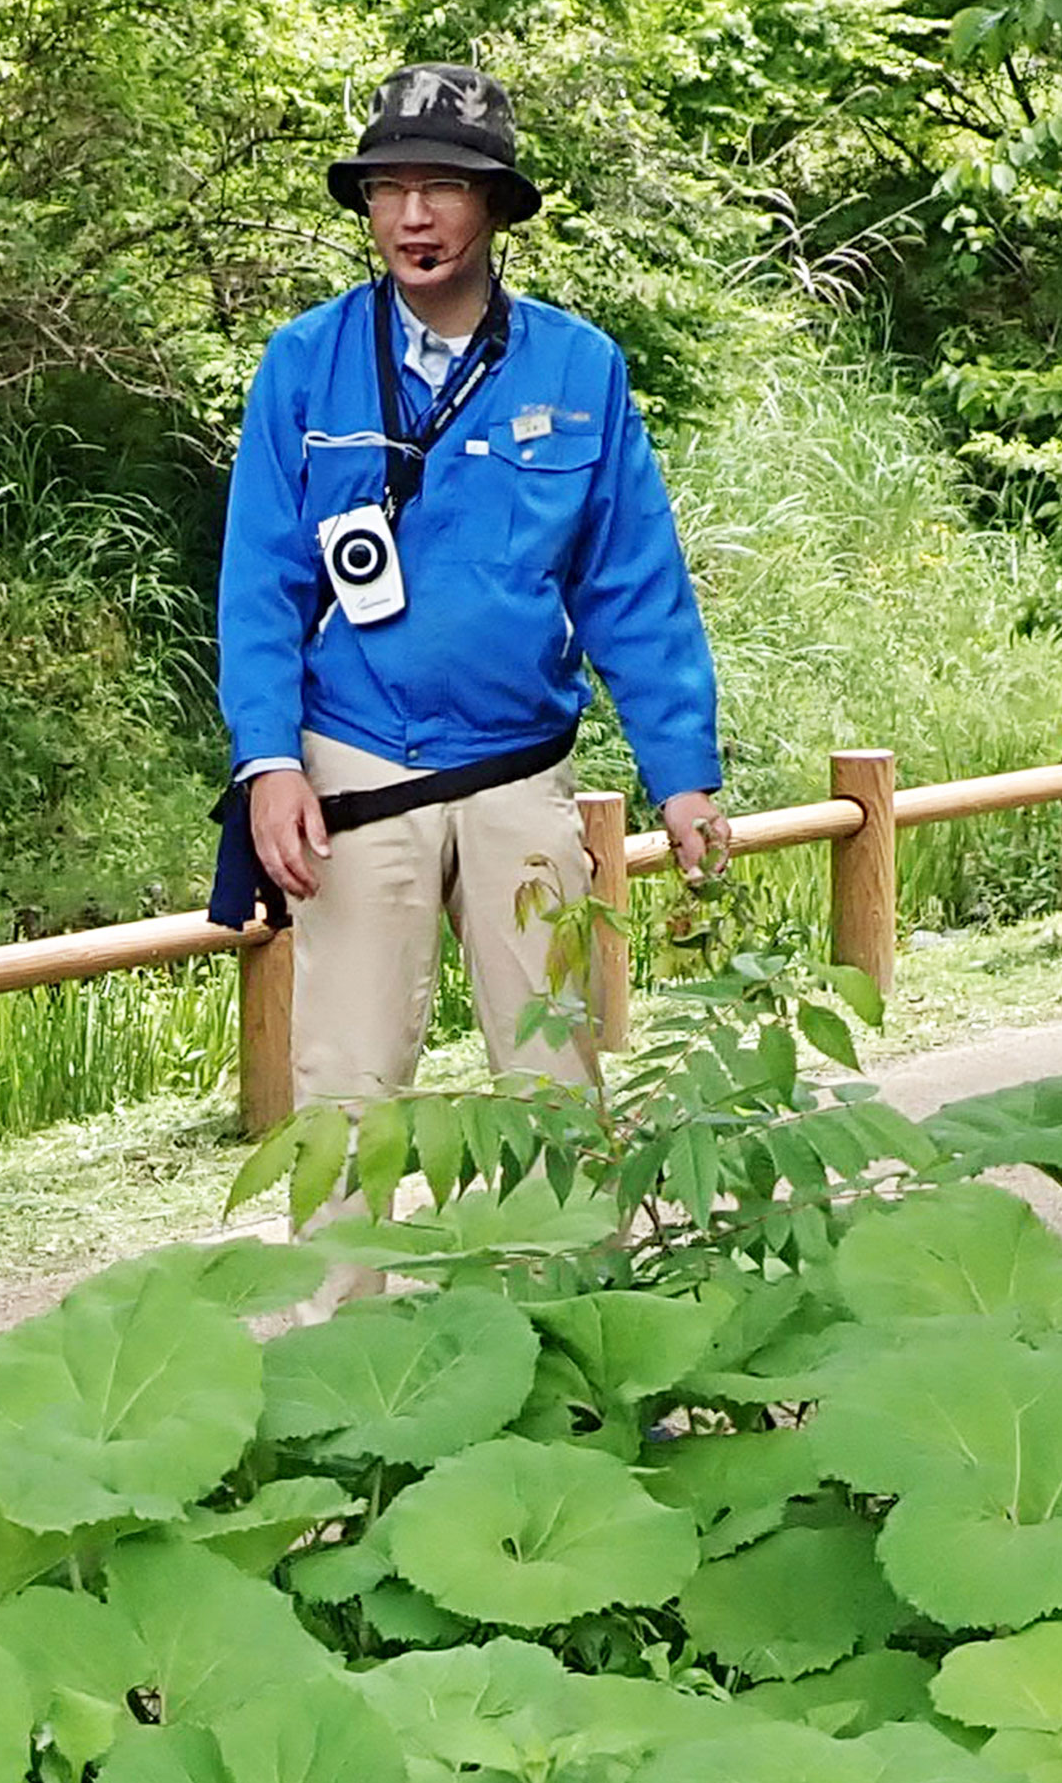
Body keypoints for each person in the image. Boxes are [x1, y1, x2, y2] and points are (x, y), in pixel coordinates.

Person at [213, 65, 727, 1105]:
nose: (413, 216)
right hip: (354, 769)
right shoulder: (305, 364)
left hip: (518, 774)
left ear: (493, 202)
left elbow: (633, 586)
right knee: (345, 1094)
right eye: (388, 188)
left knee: (554, 1084)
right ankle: (342, 1280)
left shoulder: (580, 370)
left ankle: (570, 1276)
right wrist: (268, 761)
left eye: (442, 187)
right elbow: (260, 583)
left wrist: (685, 775)